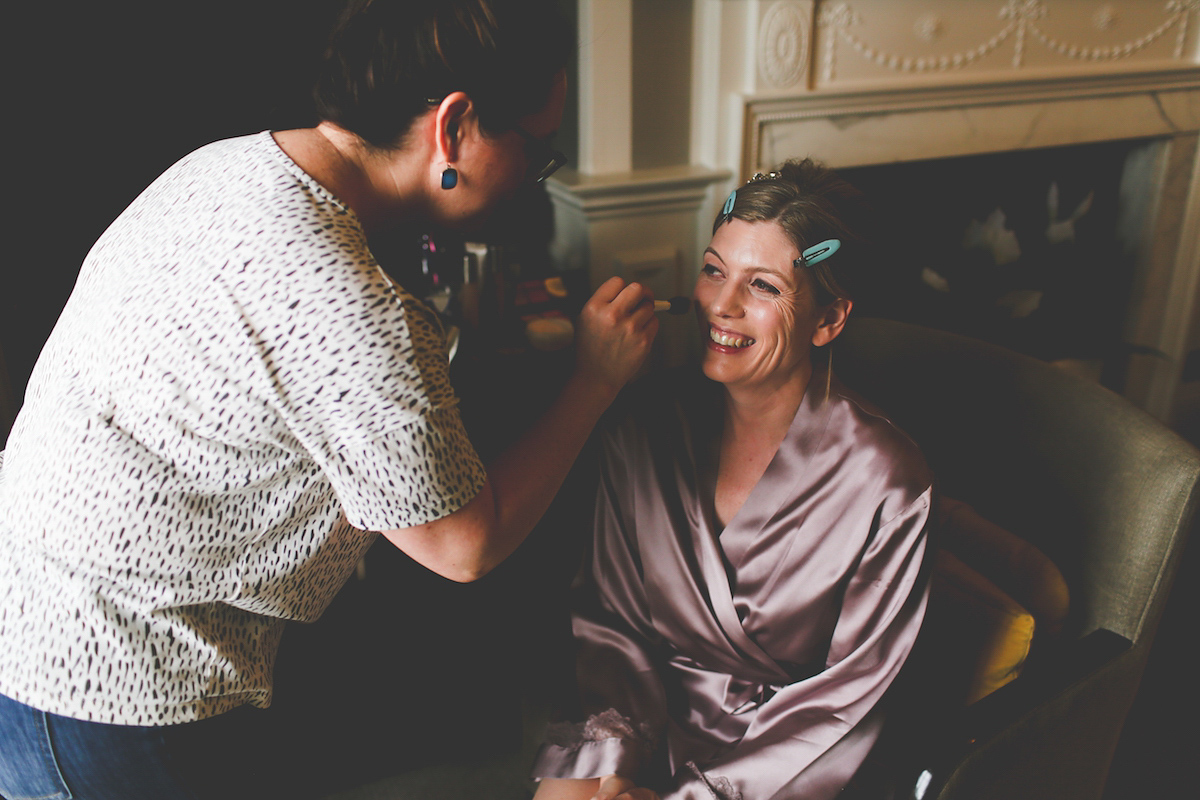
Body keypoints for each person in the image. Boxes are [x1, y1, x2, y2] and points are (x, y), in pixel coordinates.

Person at [0, 2, 658, 799]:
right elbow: (465, 547)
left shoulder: (223, 164)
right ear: (454, 128)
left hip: (23, 613)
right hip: (119, 689)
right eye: (537, 147)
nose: (535, 172)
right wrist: (595, 380)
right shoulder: (354, 307)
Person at [530, 160, 934, 800]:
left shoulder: (884, 479)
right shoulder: (643, 430)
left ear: (828, 320)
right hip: (643, 732)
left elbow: (848, 699)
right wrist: (606, 768)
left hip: (789, 770)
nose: (721, 304)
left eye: (764, 286)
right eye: (714, 270)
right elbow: (612, 627)